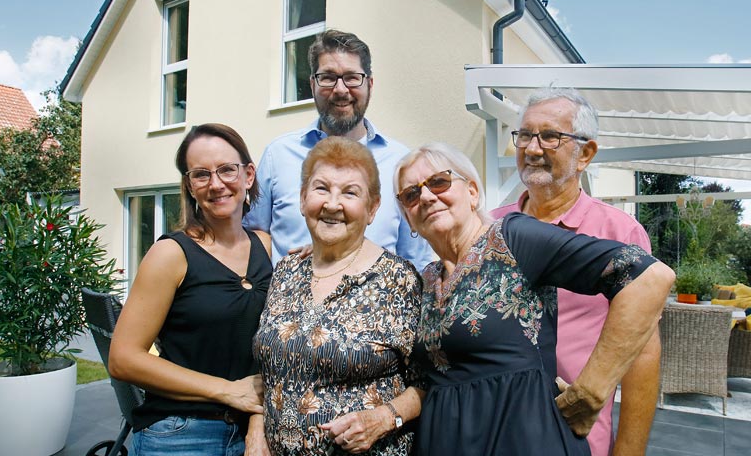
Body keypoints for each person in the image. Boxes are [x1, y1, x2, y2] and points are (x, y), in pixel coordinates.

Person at [394, 142, 675, 456]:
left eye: (439, 182)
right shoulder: (426, 280)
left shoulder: (513, 238)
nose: (427, 196)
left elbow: (647, 277)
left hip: (522, 439)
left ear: (472, 192)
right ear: (408, 218)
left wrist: (591, 391)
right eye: (411, 194)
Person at [491, 87, 658, 456]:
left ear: (585, 154)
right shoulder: (489, 228)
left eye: (550, 136)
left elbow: (642, 355)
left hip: (574, 436)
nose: (532, 149)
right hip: (494, 432)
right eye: (524, 135)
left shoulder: (620, 234)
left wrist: (628, 451)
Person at [253, 137, 424, 455]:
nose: (333, 204)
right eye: (321, 189)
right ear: (303, 199)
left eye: (350, 192)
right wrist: (256, 431)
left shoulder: (400, 281)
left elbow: (432, 381)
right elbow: (266, 369)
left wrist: (385, 417)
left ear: (372, 208)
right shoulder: (286, 271)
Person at [109, 123, 273, 456]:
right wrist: (227, 391)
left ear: (249, 175)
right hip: (180, 432)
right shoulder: (171, 254)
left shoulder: (267, 247)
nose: (216, 184)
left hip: (252, 431)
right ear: (190, 186)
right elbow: (123, 359)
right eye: (201, 175)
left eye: (227, 170)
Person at [244, 29, 433, 270]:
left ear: (370, 84)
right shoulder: (278, 155)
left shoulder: (401, 163)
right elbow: (255, 239)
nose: (341, 89)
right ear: (312, 84)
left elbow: (415, 259)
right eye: (328, 77)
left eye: (352, 77)